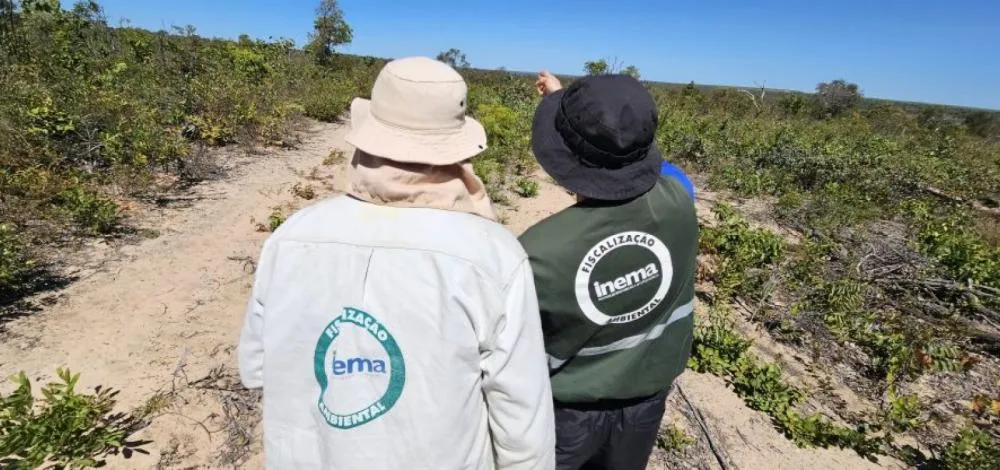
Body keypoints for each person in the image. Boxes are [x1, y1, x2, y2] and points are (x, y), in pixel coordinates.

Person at [238, 56, 556, 470]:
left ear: (368, 136)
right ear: (454, 146)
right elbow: (521, 414)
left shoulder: (291, 236)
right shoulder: (492, 255)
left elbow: (257, 369)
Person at [518, 70, 698, 470]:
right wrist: (603, 126)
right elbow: (654, 167)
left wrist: (569, 113)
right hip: (647, 402)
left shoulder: (538, 251)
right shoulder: (681, 198)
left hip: (566, 413)